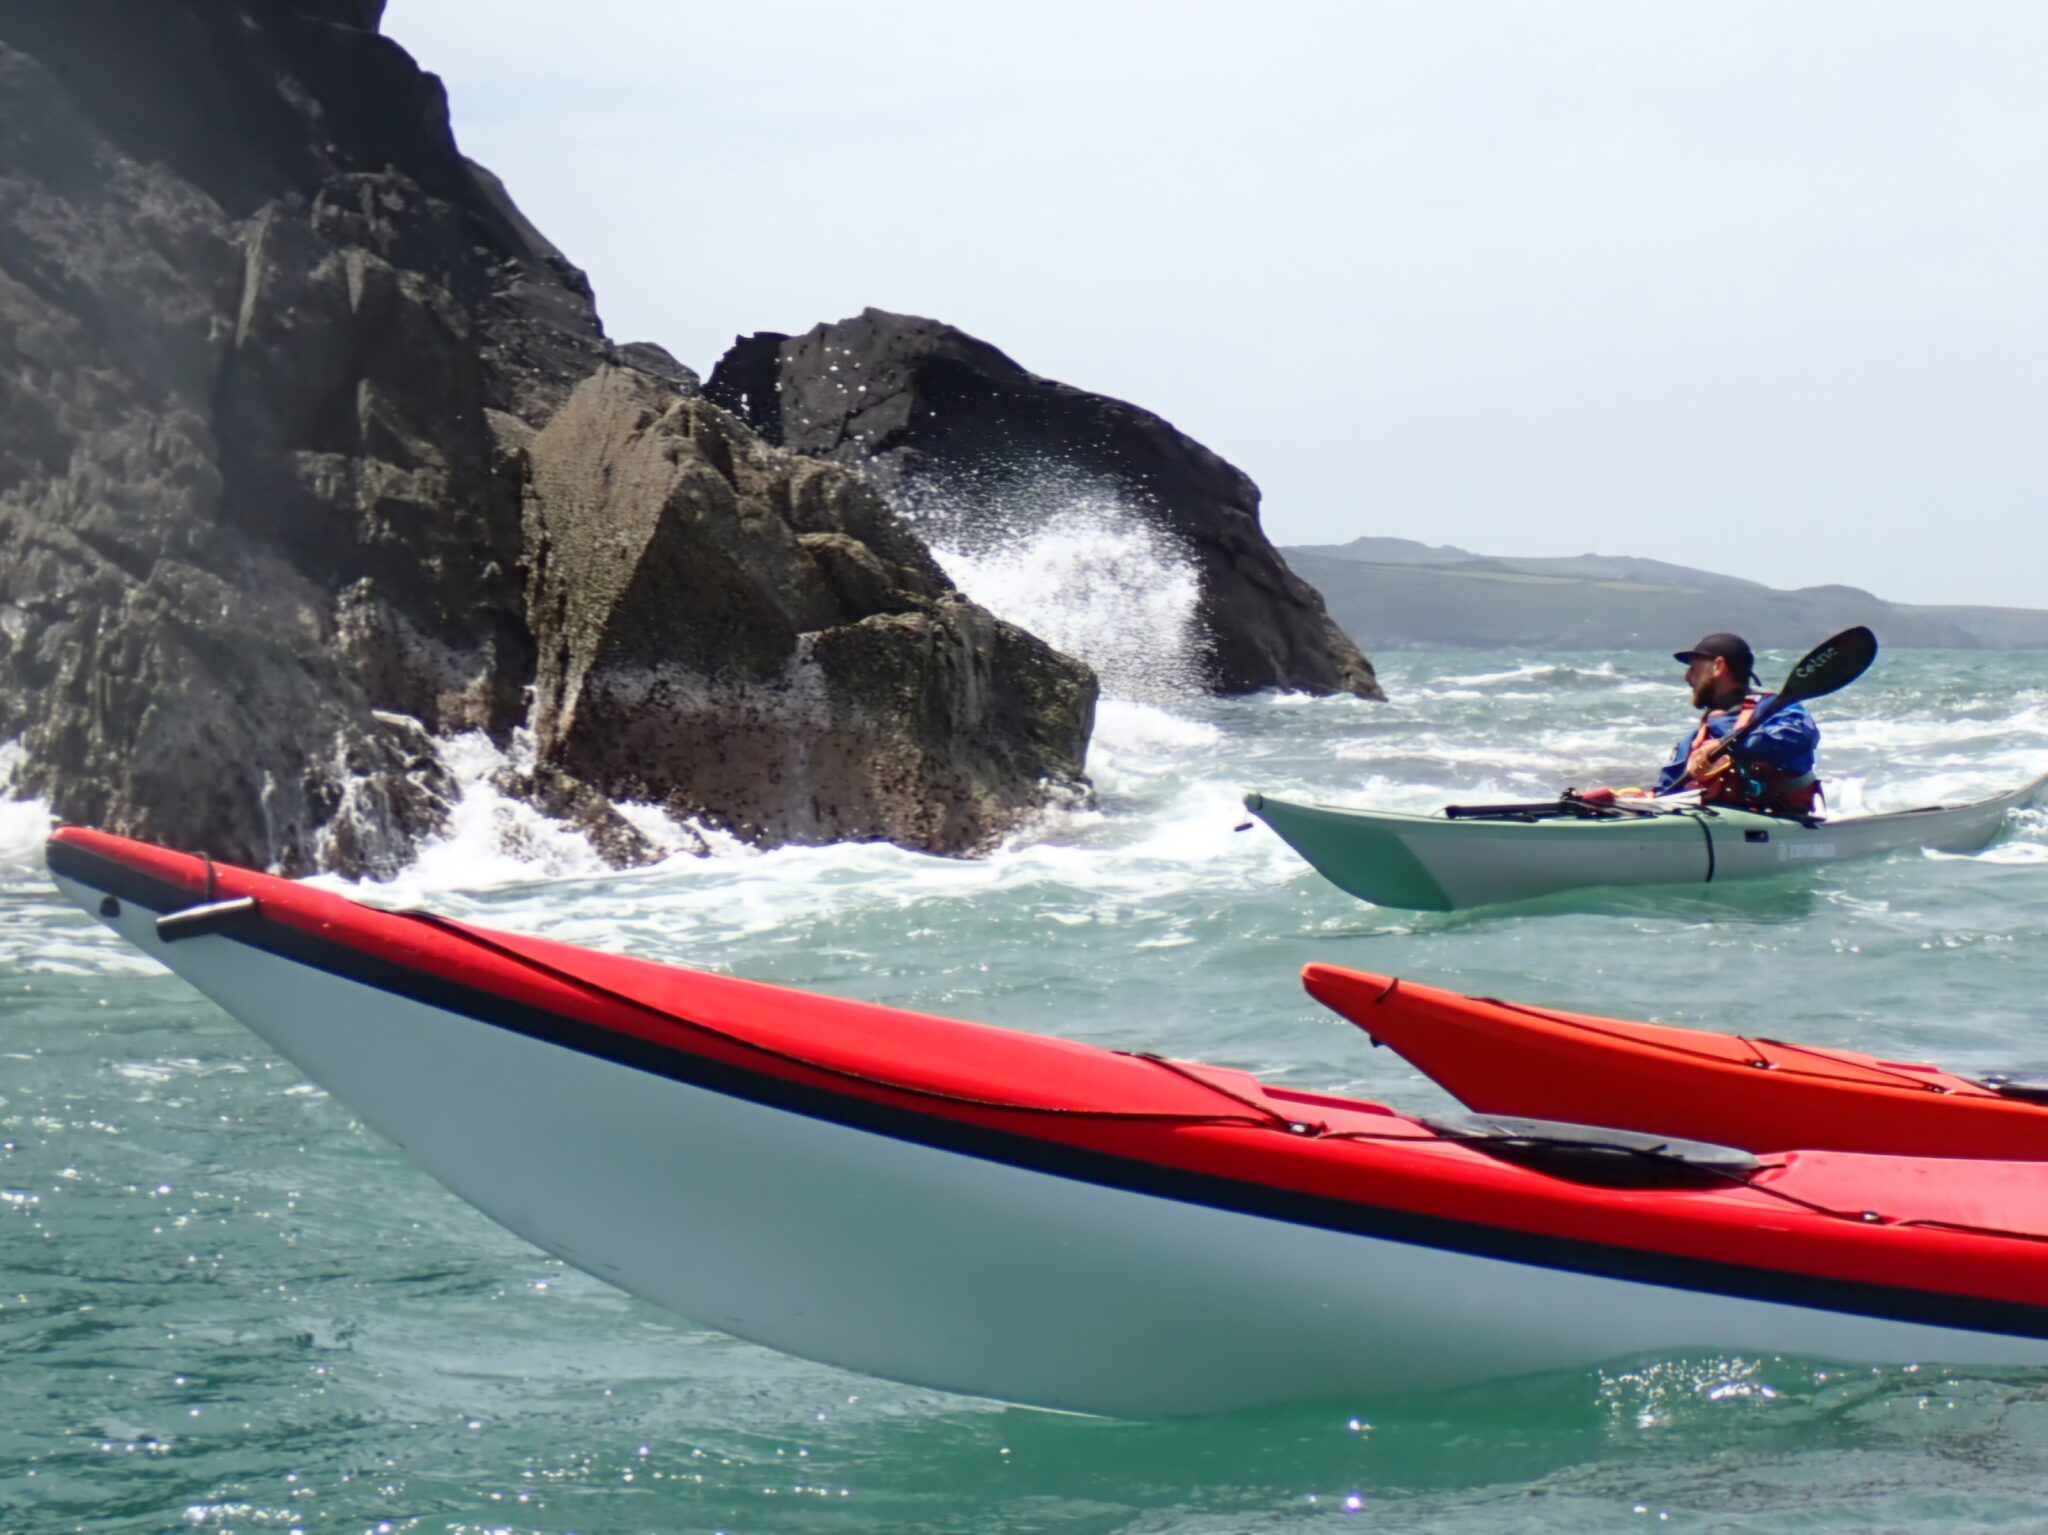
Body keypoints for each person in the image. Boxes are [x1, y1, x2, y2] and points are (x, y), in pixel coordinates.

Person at [1651, 632, 1821, 815]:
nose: (1688, 677)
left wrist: (1727, 744)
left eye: (1694, 668)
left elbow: (1798, 737)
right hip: (1717, 824)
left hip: (1777, 821)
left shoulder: (1775, 709)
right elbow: (1666, 792)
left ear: (1718, 666)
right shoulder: (1696, 738)